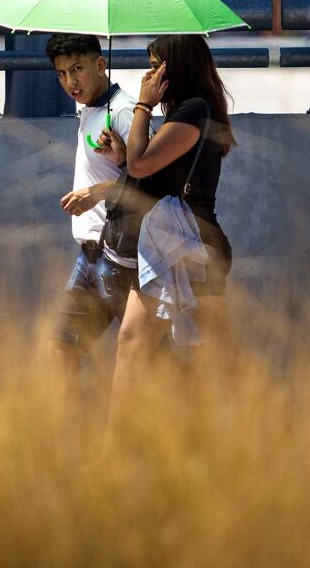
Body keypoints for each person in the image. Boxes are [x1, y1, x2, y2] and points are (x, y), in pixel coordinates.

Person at [96, 34, 235, 433]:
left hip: (187, 247)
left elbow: (141, 167)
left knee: (150, 345)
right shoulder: (188, 112)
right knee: (196, 351)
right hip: (184, 246)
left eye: (156, 65)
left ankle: (116, 449)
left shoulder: (193, 111)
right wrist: (121, 154)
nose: (150, 74)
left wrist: (142, 105)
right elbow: (150, 169)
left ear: (177, 69)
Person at [46, 33, 149, 380]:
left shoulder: (122, 111)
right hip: (90, 256)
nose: (70, 82)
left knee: (150, 359)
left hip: (119, 259)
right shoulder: (91, 110)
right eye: (61, 74)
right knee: (62, 351)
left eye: (77, 69)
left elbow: (152, 181)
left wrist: (95, 193)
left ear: (101, 64)